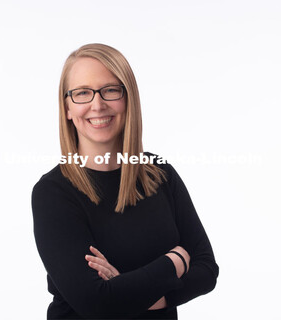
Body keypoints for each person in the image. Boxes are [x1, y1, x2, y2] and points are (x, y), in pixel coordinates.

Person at [31, 43, 219, 319]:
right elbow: (97, 304)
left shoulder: (159, 173)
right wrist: (174, 261)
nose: (97, 104)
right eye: (82, 93)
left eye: (110, 90)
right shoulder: (53, 193)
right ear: (67, 108)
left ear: (128, 98)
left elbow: (206, 270)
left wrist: (129, 291)